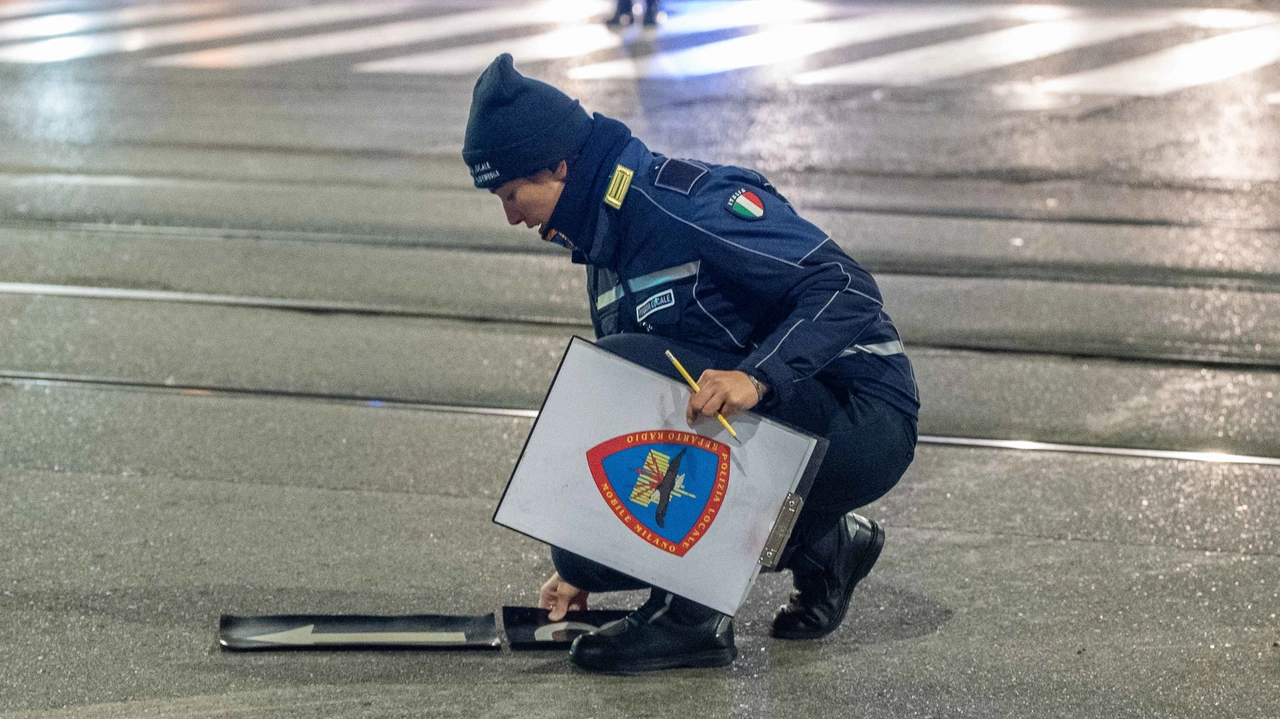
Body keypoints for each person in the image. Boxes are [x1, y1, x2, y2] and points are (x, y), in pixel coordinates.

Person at [463, 54, 919, 673]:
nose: (512, 216)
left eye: (514, 194)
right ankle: (826, 546)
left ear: (559, 167)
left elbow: (846, 287)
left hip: (861, 412)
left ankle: (690, 616)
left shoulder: (680, 203)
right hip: (792, 423)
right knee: (586, 546)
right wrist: (578, 569)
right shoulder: (604, 240)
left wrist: (757, 376)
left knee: (626, 368)